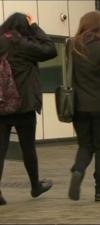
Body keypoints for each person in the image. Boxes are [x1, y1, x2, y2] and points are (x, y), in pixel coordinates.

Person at [0, 13, 57, 205]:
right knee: (28, 147)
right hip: (23, 105)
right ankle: (35, 186)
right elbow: (50, 49)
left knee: (0, 149)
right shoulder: (22, 44)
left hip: (1, 106)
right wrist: (35, 27)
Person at [68, 11, 100, 202]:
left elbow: (69, 76)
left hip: (79, 106)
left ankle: (78, 170)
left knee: (85, 145)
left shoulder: (73, 47)